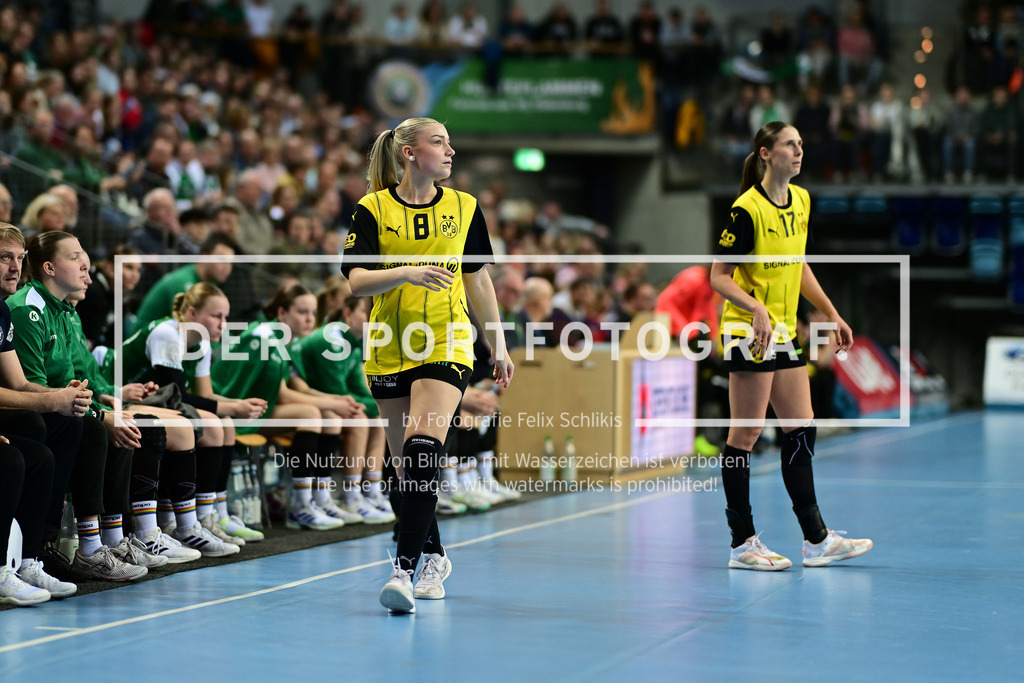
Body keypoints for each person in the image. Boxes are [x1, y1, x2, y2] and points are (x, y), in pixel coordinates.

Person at [342, 117, 513, 614]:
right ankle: (435, 555)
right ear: (410, 153)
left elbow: (479, 281)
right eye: (439, 142)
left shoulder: (464, 207)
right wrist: (407, 272)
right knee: (402, 471)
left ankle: (403, 568)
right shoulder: (372, 208)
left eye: (449, 142)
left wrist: (497, 344)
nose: (450, 150)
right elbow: (356, 281)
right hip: (389, 344)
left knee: (421, 448)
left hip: (448, 340)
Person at [710, 121, 872, 572]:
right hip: (749, 330)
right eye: (789, 145)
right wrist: (754, 307)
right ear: (765, 153)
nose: (799, 151)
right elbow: (718, 276)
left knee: (801, 427)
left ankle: (816, 540)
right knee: (744, 436)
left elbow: (798, 265)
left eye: (802, 144)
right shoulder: (746, 210)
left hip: (783, 330)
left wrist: (832, 313)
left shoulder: (800, 201)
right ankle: (742, 544)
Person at [8, 231, 147, 581]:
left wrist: (99, 403)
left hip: (46, 410)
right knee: (88, 428)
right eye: (74, 258)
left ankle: (105, 541)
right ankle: (71, 547)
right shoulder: (28, 309)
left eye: (17, 257)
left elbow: (74, 381)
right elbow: (32, 388)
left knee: (110, 427)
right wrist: (97, 411)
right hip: (28, 414)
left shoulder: (64, 312)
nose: (85, 266)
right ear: (49, 267)